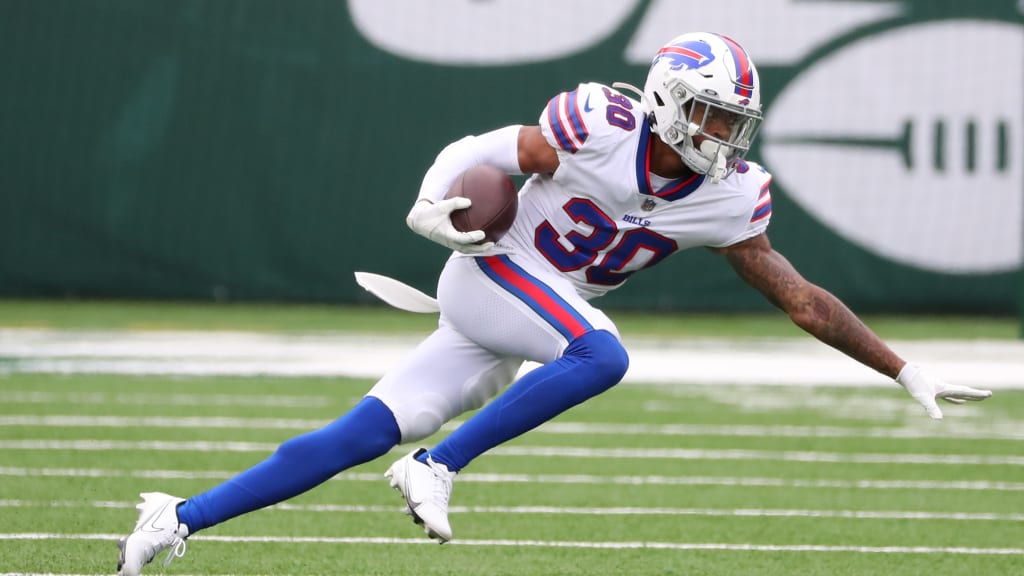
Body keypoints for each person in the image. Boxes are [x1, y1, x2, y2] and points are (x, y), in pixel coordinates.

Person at [116, 32, 993, 574]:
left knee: (361, 432)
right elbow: (480, 147)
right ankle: (438, 466)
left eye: (736, 122)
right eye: (714, 116)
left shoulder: (730, 197)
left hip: (534, 310)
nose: (726, 137)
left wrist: (902, 368)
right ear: (669, 100)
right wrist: (431, 200)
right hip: (496, 272)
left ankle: (177, 518)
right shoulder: (598, 123)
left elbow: (800, 298)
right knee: (602, 355)